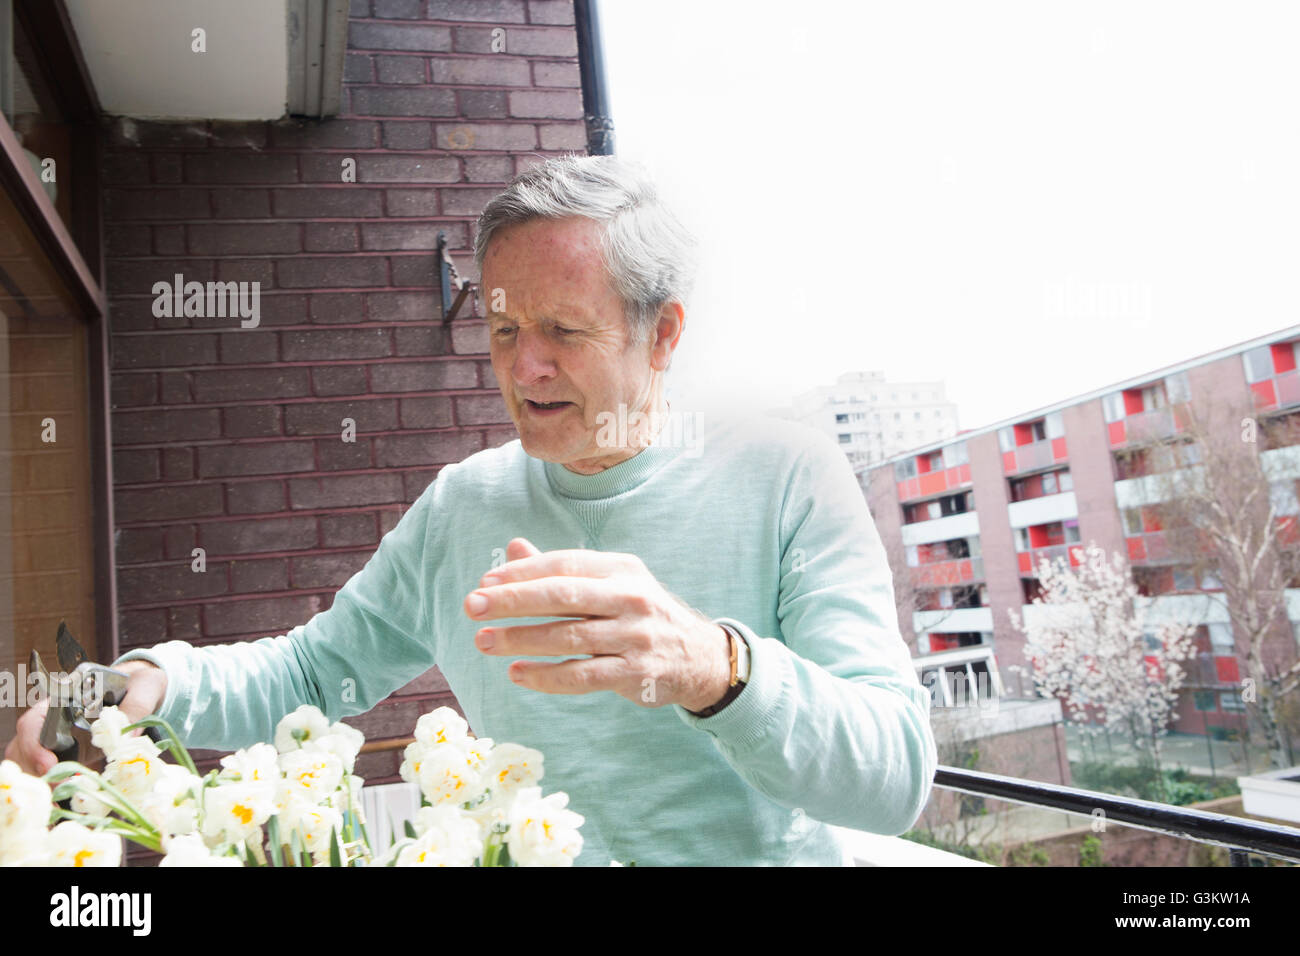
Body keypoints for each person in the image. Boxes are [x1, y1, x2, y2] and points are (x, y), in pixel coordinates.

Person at [7, 154, 937, 865]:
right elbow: (314, 671)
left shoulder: (788, 476)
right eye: (502, 328)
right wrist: (149, 684)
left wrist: (712, 667)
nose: (524, 367)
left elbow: (894, 776)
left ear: (665, 335)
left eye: (564, 331)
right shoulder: (466, 503)